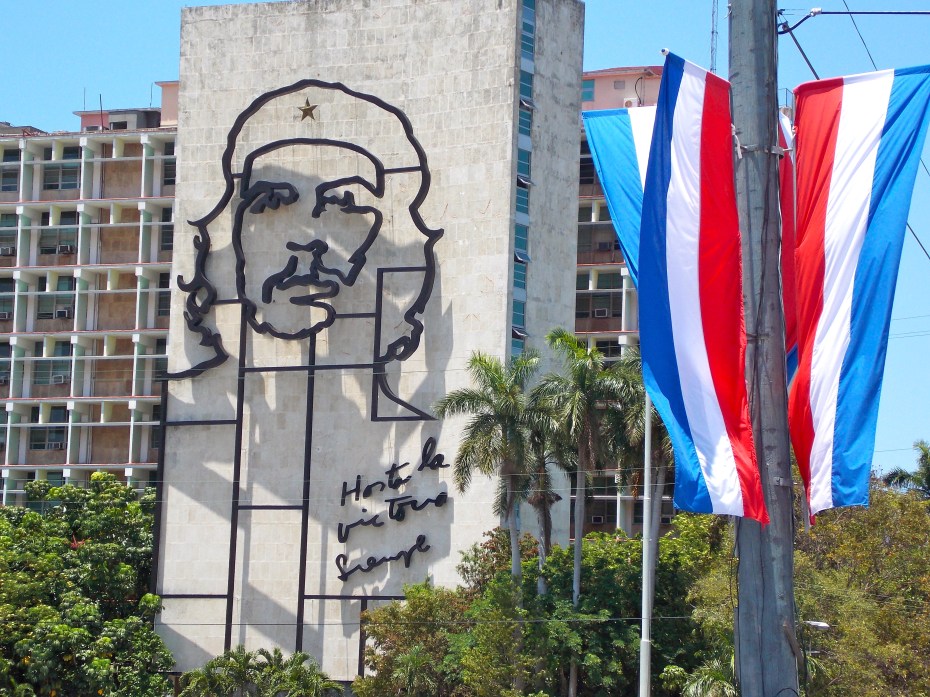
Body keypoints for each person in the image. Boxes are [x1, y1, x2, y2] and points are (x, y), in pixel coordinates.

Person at [157, 80, 448, 665]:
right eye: (271, 206)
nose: (308, 242)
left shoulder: (416, 435)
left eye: (346, 209)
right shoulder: (195, 426)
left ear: (406, 252)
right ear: (221, 240)